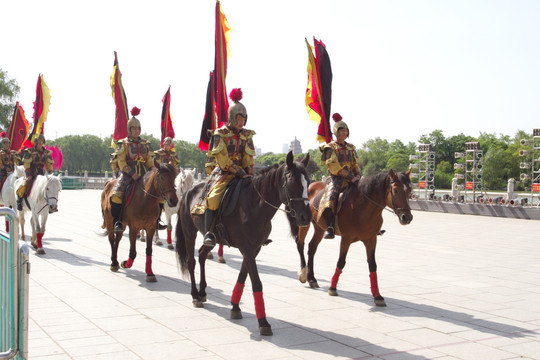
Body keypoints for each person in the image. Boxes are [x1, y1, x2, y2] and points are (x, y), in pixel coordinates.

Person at [201, 88, 256, 247]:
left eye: (244, 118)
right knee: (213, 199)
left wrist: (249, 171)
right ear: (232, 118)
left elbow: (248, 156)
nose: (242, 122)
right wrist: (238, 171)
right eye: (239, 118)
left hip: (244, 173)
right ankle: (209, 233)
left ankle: (257, 230)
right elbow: (223, 159)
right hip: (224, 173)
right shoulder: (220, 133)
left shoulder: (247, 134)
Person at [110, 107, 154, 232]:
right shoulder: (123, 143)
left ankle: (156, 220)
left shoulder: (146, 143)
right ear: (129, 130)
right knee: (117, 194)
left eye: (138, 128)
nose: (136, 131)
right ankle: (117, 221)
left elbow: (149, 161)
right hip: (128, 174)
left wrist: (152, 170)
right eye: (133, 128)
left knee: (158, 193)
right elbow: (121, 162)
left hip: (144, 174)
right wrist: (132, 173)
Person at [319, 113, 362, 239]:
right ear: (336, 132)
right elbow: (335, 167)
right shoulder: (329, 148)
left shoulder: (351, 147)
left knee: (368, 194)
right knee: (330, 200)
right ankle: (330, 227)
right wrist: (350, 177)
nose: (344, 133)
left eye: (345, 131)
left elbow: (354, 164)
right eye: (341, 131)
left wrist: (358, 174)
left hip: (353, 178)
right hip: (336, 179)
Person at [16, 133, 54, 210]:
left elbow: (48, 164)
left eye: (42, 140)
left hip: (42, 174)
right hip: (32, 173)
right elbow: (26, 164)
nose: (40, 141)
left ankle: (50, 205)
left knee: (50, 187)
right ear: (36, 141)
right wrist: (29, 174)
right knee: (24, 185)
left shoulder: (46, 153)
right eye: (39, 140)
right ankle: (19, 201)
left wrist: (51, 172)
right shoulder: (30, 151)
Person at [152, 136, 180, 230]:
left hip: (170, 176)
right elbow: (156, 166)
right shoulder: (158, 153)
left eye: (169, 143)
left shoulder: (173, 154)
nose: (167, 145)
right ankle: (157, 219)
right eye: (166, 143)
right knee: (159, 198)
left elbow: (175, 166)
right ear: (163, 144)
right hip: (160, 176)